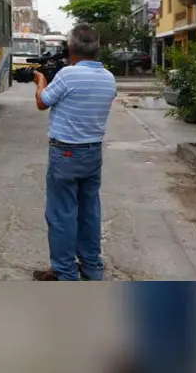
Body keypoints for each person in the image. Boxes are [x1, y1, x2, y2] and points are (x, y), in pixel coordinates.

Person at [31, 23, 117, 281]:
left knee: (61, 214)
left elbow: (42, 102)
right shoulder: (109, 78)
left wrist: (40, 80)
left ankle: (65, 273)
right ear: (97, 48)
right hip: (93, 153)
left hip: (66, 153)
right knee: (89, 211)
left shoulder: (67, 75)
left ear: (70, 48)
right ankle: (92, 267)